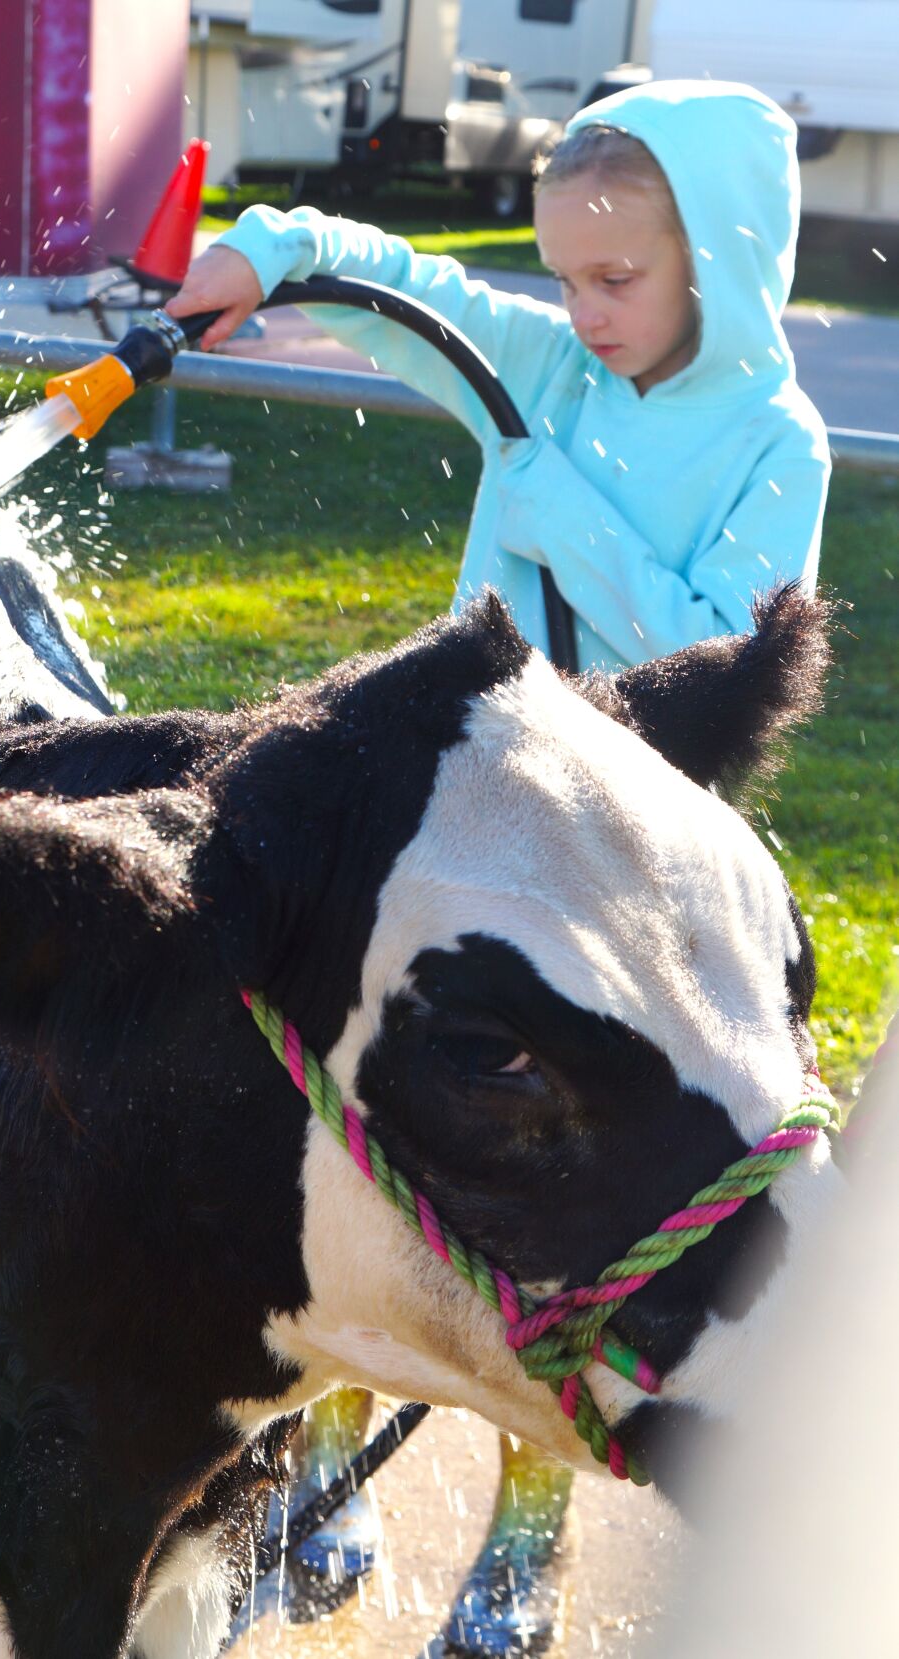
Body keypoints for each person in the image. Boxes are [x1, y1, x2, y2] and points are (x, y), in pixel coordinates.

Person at [169, 78, 830, 1655]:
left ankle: (520, 1551)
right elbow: (414, 293)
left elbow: (720, 656)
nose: (578, 311)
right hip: (473, 852)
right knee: (354, 1147)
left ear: (723, 264)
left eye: (618, 280)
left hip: (638, 889)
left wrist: (556, 506)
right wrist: (265, 254)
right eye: (561, 274)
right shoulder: (547, 362)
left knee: (578, 1221)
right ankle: (315, 1471)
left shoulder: (775, 439)